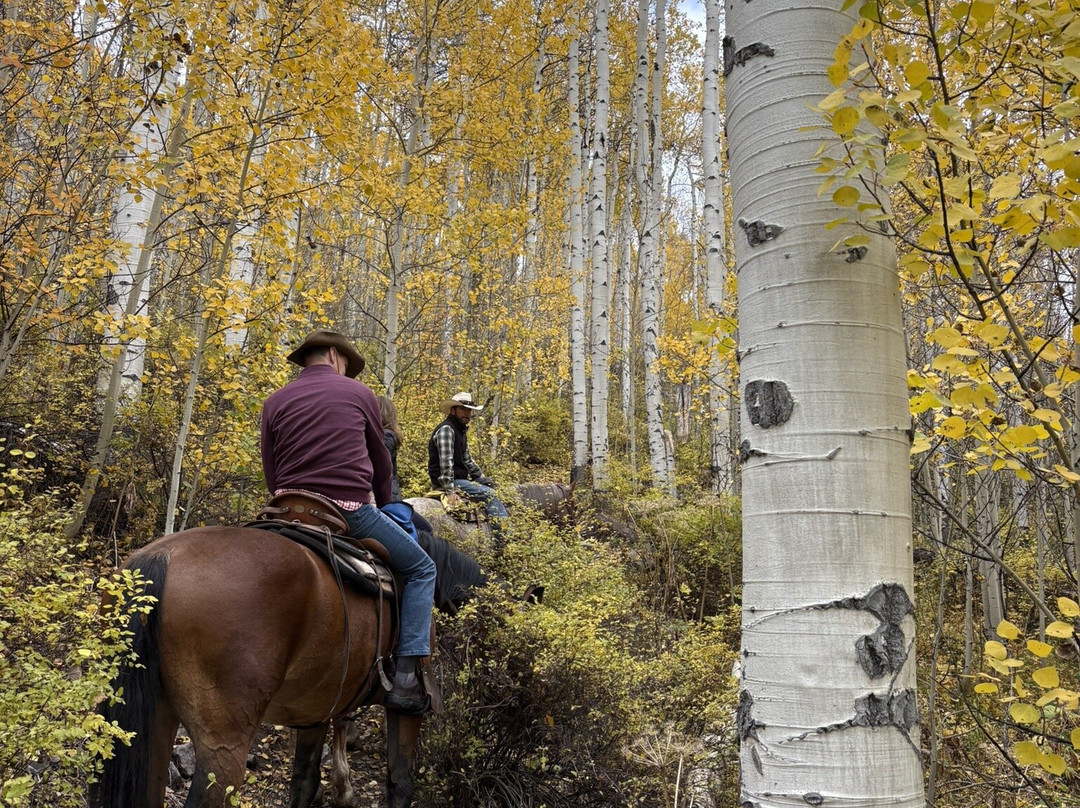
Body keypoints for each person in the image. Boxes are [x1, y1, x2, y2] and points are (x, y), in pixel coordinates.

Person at [260, 329, 436, 715]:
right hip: (347, 511)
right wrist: (386, 503)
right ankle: (407, 676)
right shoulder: (360, 395)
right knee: (423, 567)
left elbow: (271, 474)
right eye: (347, 364)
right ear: (334, 354)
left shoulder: (274, 401)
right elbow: (380, 462)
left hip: (286, 510)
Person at [427, 391, 509, 548]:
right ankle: (504, 540)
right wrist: (450, 490)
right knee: (490, 495)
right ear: (453, 410)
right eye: (463, 409)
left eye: (469, 410)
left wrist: (482, 478)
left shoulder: (460, 430)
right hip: (450, 482)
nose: (467, 413)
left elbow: (467, 460)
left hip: (458, 480)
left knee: (490, 487)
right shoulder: (447, 430)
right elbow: (446, 462)